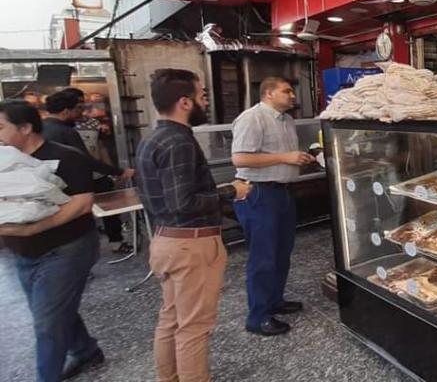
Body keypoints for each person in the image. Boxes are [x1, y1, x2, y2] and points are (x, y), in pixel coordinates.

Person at [136, 69, 250, 382]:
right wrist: (232, 191)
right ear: (185, 102)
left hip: (165, 239)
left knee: (171, 319)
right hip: (191, 244)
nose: (206, 102)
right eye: (202, 96)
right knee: (194, 327)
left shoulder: (151, 139)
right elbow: (183, 202)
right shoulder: (178, 142)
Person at [0, 100, 105, 382]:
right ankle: (86, 350)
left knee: (47, 321)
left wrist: (35, 228)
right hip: (24, 253)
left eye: (0, 127)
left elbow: (82, 204)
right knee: (52, 310)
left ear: (25, 128)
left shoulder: (66, 157)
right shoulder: (5, 163)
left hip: (67, 249)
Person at [231, 77, 314, 336]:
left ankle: (275, 300)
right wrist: (285, 157)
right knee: (263, 257)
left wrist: (300, 158)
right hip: (259, 194)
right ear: (268, 93)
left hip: (283, 193)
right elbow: (240, 158)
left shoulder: (287, 120)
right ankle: (258, 317)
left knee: (281, 252)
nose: (292, 95)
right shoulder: (251, 118)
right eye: (286, 91)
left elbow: (283, 158)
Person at [42, 89, 135, 252]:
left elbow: (99, 148)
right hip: (78, 182)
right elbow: (85, 160)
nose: (81, 112)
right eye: (78, 108)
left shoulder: (40, 129)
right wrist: (119, 171)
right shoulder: (66, 132)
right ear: (66, 111)